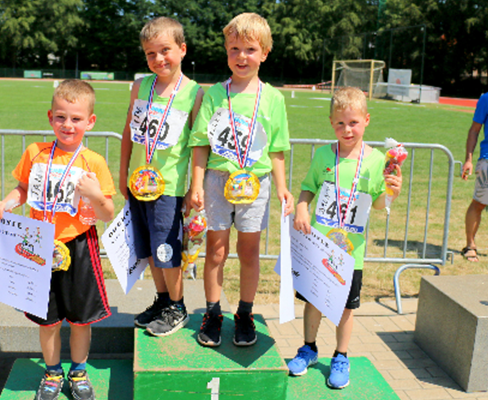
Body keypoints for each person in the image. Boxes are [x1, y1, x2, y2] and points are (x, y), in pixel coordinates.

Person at [0, 79, 115, 400]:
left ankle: (78, 371)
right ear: (50, 117)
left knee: (78, 319)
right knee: (46, 320)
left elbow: (107, 212)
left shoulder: (94, 162)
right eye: (61, 117)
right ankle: (52, 373)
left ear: (90, 122)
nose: (67, 125)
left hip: (78, 245)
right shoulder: (35, 153)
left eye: (76, 119)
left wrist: (94, 195)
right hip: (38, 244)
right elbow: (22, 189)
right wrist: (7, 202)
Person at [189, 13, 294, 348]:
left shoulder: (273, 98)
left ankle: (245, 314)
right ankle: (213, 312)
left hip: (256, 182)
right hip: (218, 181)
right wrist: (196, 184)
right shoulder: (215, 94)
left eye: (250, 49)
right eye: (234, 48)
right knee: (215, 251)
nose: (242, 56)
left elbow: (277, 149)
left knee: (249, 252)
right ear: (226, 50)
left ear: (264, 53)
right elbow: (200, 143)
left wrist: (281, 187)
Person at [287, 87, 402, 389]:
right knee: (313, 301)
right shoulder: (324, 154)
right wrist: (301, 207)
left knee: (345, 307)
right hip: (319, 246)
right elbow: (308, 187)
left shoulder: (377, 160)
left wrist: (391, 192)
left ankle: (341, 356)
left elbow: (378, 203)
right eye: (340, 123)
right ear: (331, 122)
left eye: (353, 122)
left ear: (366, 120)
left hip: (351, 252)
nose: (346, 129)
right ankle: (308, 348)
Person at [119, 17, 203, 337]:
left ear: (181, 49)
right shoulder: (140, 86)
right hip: (139, 182)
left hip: (169, 186)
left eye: (165, 50)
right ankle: (163, 300)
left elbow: (198, 144)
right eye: (150, 54)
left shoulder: (194, 93)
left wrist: (195, 186)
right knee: (150, 249)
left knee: (167, 248)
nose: (158, 59)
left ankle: (178, 307)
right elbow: (129, 130)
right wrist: (123, 170)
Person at [461, 91, 488, 262]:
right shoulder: (487, 99)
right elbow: (474, 131)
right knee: (479, 203)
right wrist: (469, 159)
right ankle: (470, 245)